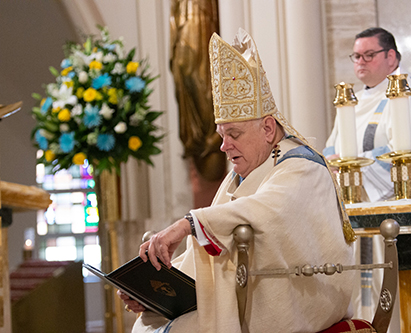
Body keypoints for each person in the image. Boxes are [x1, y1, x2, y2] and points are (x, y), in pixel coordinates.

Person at [120, 28, 355, 333]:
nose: (223, 146)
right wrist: (151, 292)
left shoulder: (303, 167)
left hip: (302, 300)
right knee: (148, 325)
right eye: (222, 135)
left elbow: (269, 209)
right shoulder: (243, 171)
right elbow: (204, 258)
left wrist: (186, 224)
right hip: (247, 296)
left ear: (268, 129)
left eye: (234, 134)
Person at [324, 27, 411, 202]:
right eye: (356, 56)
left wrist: (350, 168)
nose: (361, 61)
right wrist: (331, 164)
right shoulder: (353, 100)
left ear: (391, 57)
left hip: (407, 205)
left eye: (369, 55)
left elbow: (408, 153)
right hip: (354, 205)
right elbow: (333, 147)